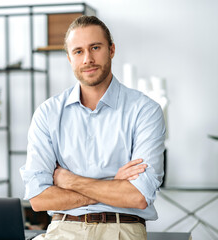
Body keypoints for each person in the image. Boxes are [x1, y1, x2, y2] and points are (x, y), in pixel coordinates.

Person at [20, 15, 165, 240]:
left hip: (121, 229)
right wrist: (113, 185)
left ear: (111, 50)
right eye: (78, 51)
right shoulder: (47, 114)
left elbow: (137, 196)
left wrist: (70, 181)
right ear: (69, 58)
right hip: (62, 230)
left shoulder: (145, 110)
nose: (88, 58)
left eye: (95, 47)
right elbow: (39, 199)